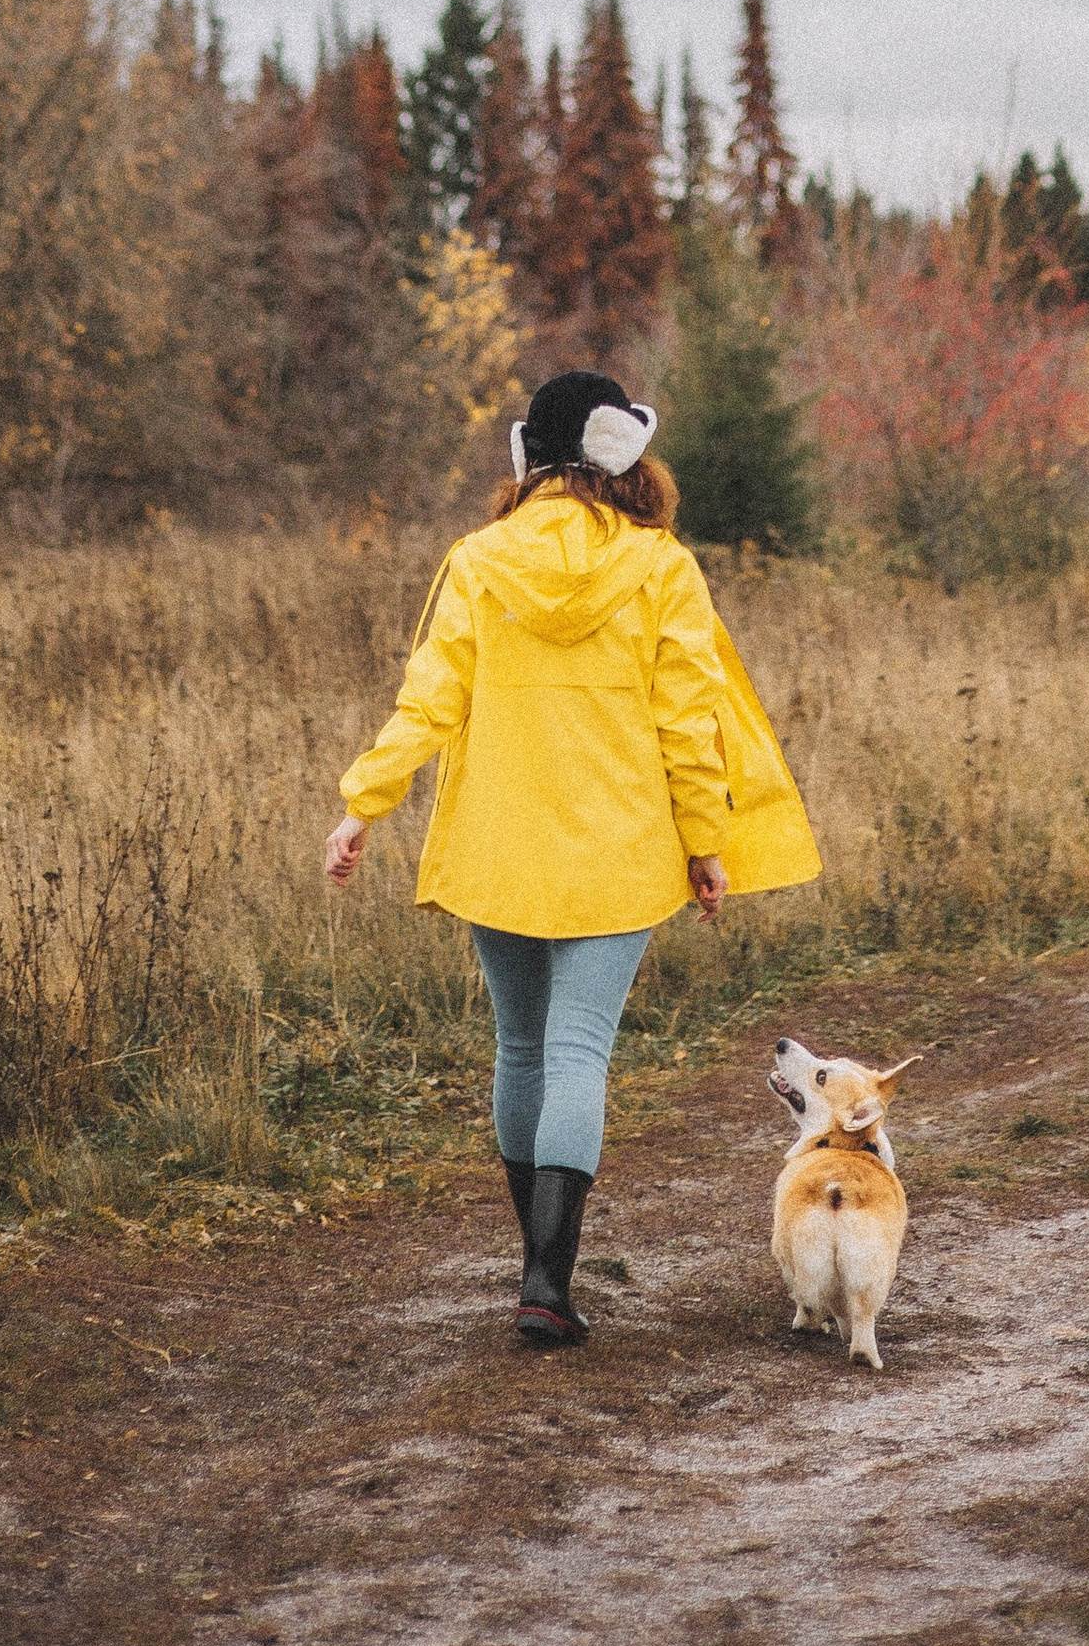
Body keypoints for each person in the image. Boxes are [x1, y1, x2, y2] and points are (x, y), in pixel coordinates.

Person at [324, 365, 820, 1346]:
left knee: (519, 1047)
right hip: (618, 849)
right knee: (577, 1049)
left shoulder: (477, 561)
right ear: (620, 451)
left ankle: (536, 1279)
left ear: (527, 455)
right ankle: (547, 1282)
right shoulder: (661, 566)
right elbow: (688, 721)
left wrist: (361, 805)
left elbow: (429, 702)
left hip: (494, 843)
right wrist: (706, 843)